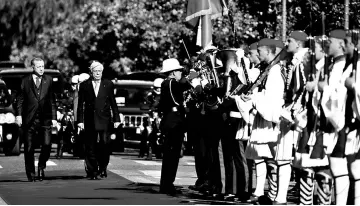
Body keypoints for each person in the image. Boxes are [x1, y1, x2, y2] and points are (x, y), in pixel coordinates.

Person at [15, 57, 57, 182]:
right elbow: (20, 100)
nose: (41, 69)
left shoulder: (48, 80)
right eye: (39, 66)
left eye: (43, 66)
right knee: (29, 147)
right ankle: (31, 173)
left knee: (47, 144)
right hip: (29, 119)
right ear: (33, 67)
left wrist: (54, 117)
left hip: (45, 118)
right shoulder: (25, 80)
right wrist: (18, 115)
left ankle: (41, 166)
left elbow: (52, 100)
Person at [77, 61, 120, 180]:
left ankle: (103, 166)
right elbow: (80, 104)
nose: (98, 73)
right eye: (95, 71)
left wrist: (116, 118)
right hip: (90, 119)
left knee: (104, 145)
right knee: (90, 146)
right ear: (91, 72)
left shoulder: (108, 84)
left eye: (100, 71)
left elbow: (113, 103)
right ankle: (92, 171)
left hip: (104, 120)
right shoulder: (84, 85)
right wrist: (80, 121)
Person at [158, 58, 189, 195]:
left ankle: (167, 183)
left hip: (174, 121)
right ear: (172, 72)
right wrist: (191, 77)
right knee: (172, 155)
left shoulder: (170, 83)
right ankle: (167, 184)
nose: (180, 73)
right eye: (179, 71)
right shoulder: (169, 83)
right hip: (173, 122)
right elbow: (181, 90)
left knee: (173, 155)